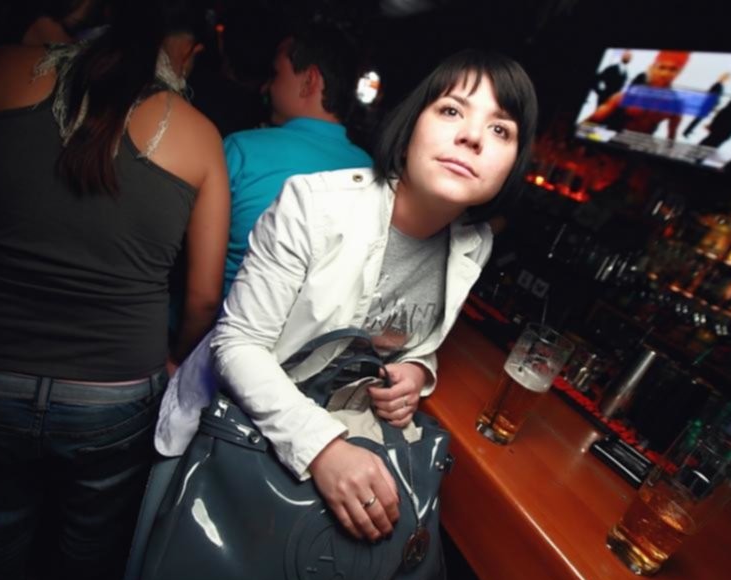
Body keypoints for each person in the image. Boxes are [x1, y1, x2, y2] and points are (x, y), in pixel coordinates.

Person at [0, 0, 229, 580]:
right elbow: (201, 298)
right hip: (115, 390)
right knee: (89, 553)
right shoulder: (199, 135)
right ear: (177, 51)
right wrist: (173, 359)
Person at [157, 48, 538, 542]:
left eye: (500, 129)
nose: (472, 136)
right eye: (451, 110)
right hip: (233, 440)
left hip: (337, 456)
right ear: (411, 125)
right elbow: (238, 344)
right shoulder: (315, 204)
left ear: (513, 164)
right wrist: (323, 448)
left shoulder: (473, 243)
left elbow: (404, 329)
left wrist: (417, 370)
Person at [219, 23, 373, 298]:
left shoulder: (242, 150)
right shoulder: (372, 170)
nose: (266, 87)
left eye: (275, 74)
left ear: (309, 81)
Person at [584, 50, 690, 139]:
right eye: (662, 67)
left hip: (638, 147)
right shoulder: (624, 96)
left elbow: (671, 137)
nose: (665, 74)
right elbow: (593, 120)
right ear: (652, 68)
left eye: (673, 69)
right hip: (611, 140)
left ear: (679, 72)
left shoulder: (676, 104)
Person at [682, 71, 730, 138]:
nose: (726, 79)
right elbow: (712, 95)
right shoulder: (717, 85)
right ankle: (686, 132)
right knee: (698, 119)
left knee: (698, 119)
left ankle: (688, 131)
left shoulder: (719, 85)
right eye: (725, 78)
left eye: (727, 78)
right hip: (708, 105)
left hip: (709, 105)